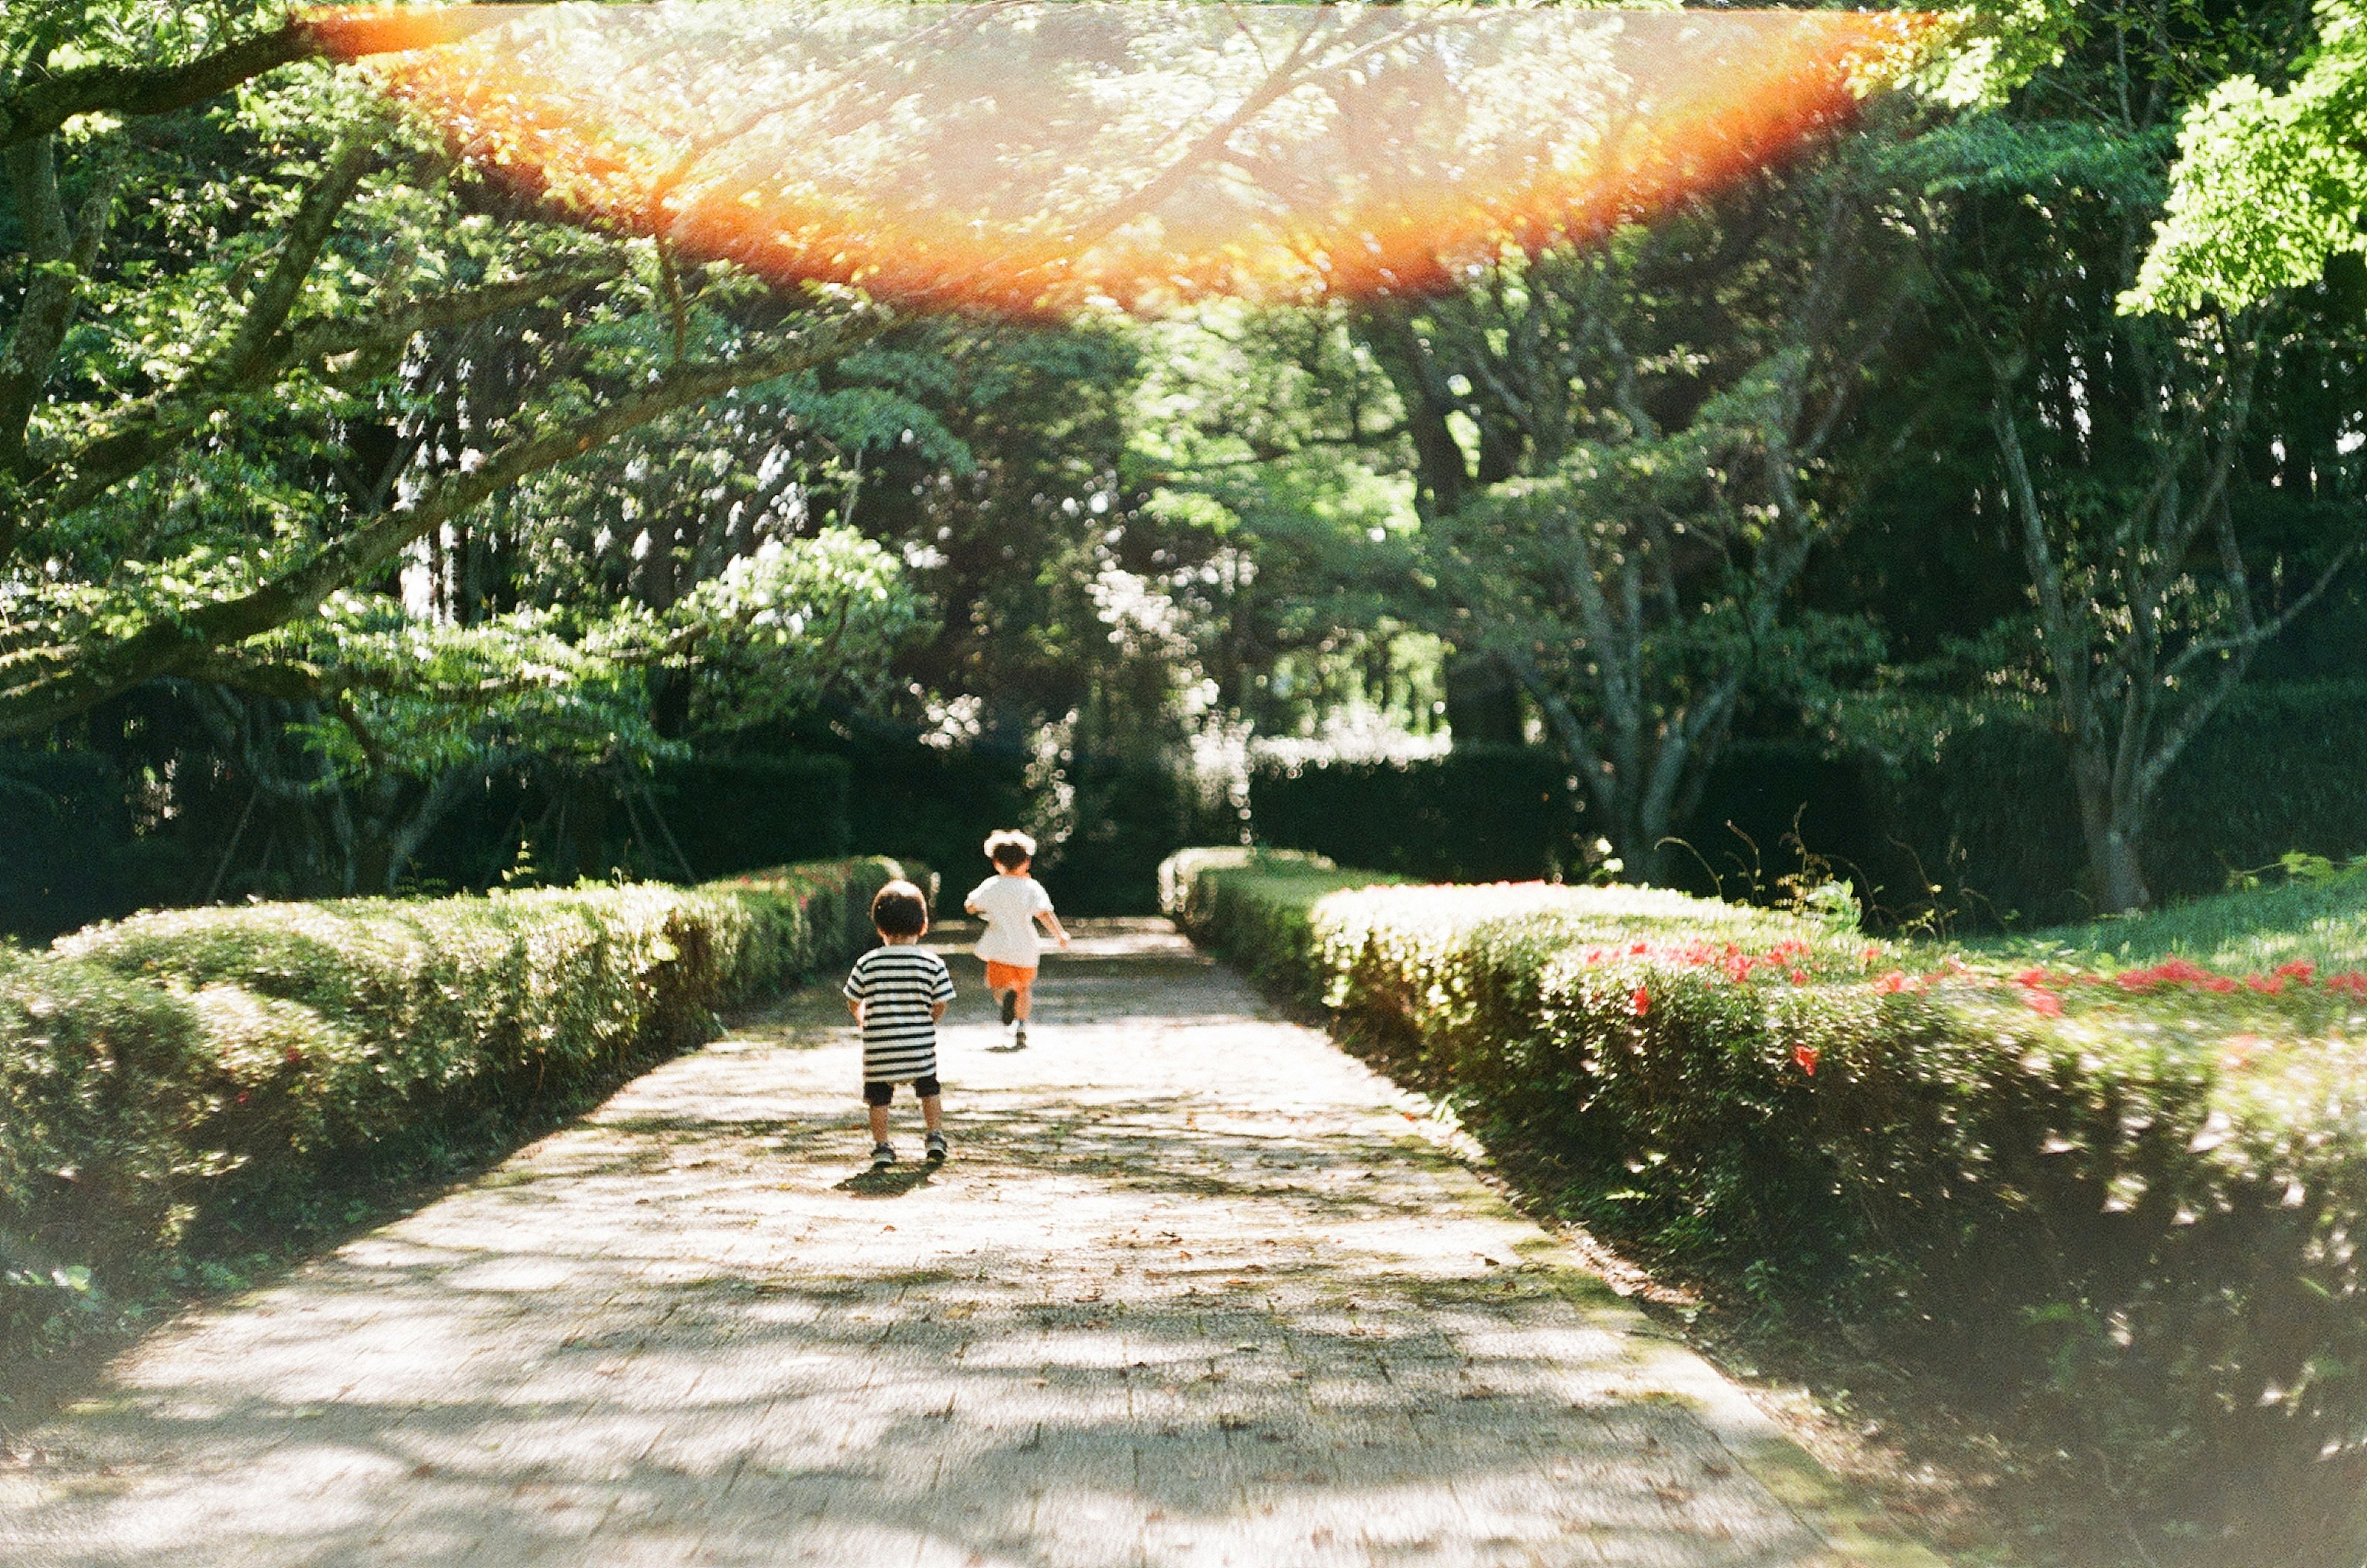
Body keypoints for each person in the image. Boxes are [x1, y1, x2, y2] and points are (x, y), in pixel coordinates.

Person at [842, 880, 957, 1170]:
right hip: (919, 1046)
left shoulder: (867, 963)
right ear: (923, 925)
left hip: (880, 1049)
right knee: (929, 1090)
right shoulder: (932, 964)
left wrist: (863, 1021)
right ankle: (934, 1137)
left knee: (879, 1097)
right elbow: (941, 1002)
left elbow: (853, 999)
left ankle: (882, 1146)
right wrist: (929, 1022)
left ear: (879, 926)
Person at [963, 829, 1069, 1048]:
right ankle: (1021, 1025)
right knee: (1025, 988)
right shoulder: (1031, 887)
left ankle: (1007, 999)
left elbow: (971, 905)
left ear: (996, 862)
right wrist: (1060, 934)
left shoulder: (992, 885)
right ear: (1027, 862)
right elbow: (1044, 914)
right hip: (1026, 947)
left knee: (998, 986)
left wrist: (974, 905)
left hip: (999, 947)